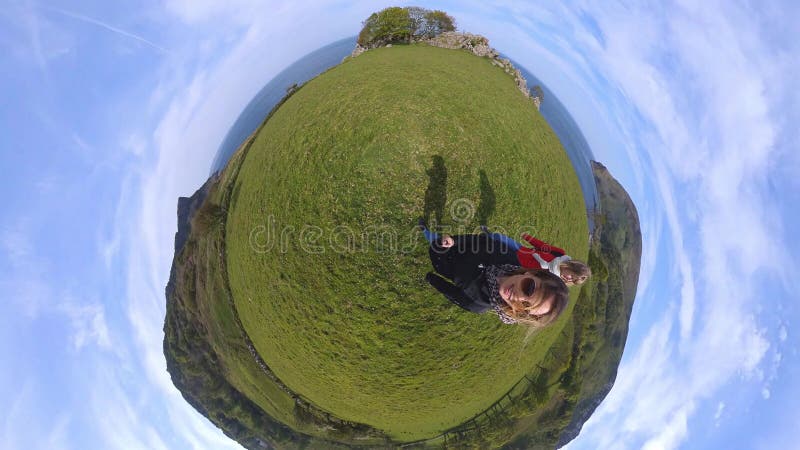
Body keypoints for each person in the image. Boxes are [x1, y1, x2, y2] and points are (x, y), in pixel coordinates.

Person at [419, 221, 569, 327]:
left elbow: (450, 292)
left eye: (525, 306)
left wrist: (431, 279)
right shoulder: (508, 256)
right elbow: (480, 240)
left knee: (432, 245)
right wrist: (454, 240)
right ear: (532, 273)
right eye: (529, 288)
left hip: (441, 263)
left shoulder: (478, 304)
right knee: (433, 239)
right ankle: (426, 232)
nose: (518, 297)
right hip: (450, 245)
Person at [479, 226, 591, 286]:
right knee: (501, 239)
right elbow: (543, 246)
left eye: (572, 280)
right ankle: (488, 235)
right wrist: (528, 238)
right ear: (571, 267)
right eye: (572, 276)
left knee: (496, 253)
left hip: (517, 264)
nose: (569, 279)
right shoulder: (560, 254)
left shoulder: (554, 279)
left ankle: (481, 257)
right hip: (523, 251)